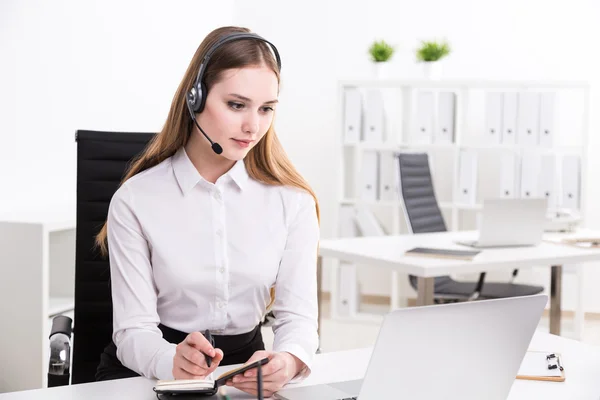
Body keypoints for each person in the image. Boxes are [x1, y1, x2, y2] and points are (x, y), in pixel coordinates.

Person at [94, 26, 320, 398]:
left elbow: (297, 318)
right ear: (195, 98)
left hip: (244, 372)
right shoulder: (136, 199)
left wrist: (290, 360)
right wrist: (171, 360)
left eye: (266, 109)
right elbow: (133, 331)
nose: (253, 126)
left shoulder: (292, 201)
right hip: (149, 371)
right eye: (236, 105)